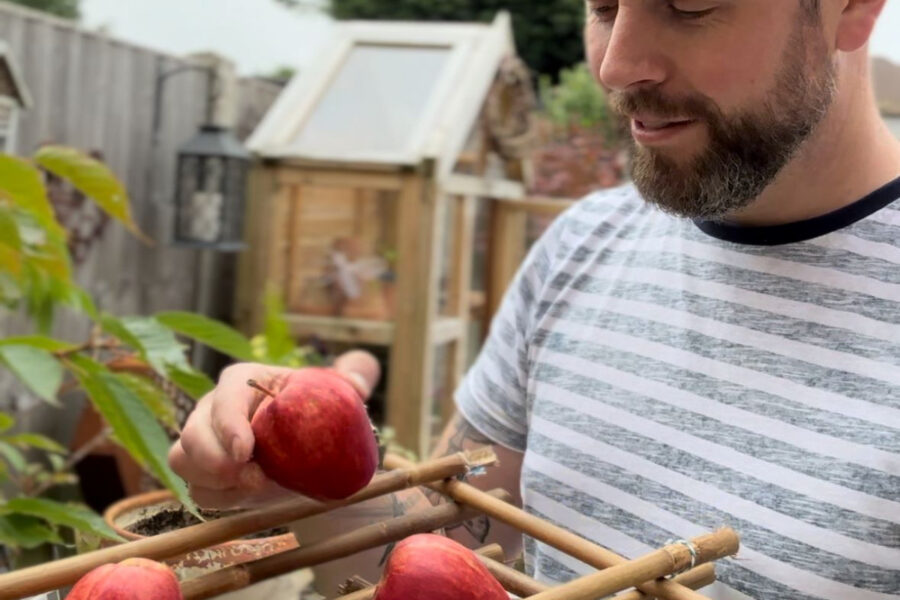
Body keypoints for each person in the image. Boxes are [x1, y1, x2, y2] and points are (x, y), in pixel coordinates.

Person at [169, 1, 900, 598]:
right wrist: (285, 468)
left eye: (689, 4)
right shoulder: (581, 246)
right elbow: (443, 541)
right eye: (604, 5)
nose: (618, 65)